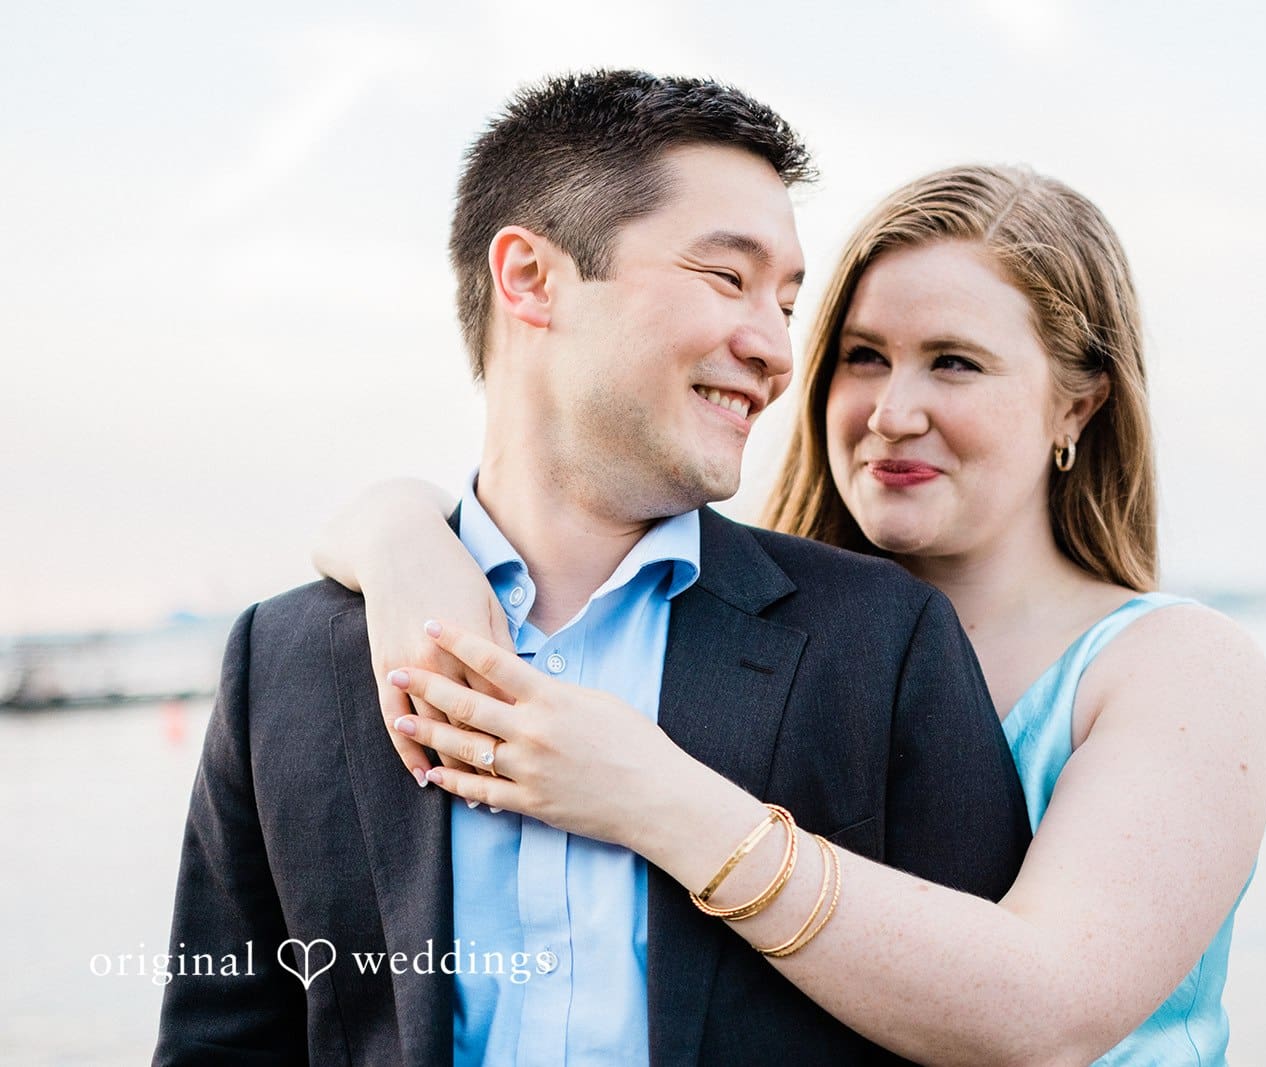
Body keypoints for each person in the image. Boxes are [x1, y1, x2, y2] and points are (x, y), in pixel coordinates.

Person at [155, 72, 1032, 1067]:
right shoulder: (285, 659)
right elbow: (221, 1037)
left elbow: (994, 1027)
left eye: (786, 301)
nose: (776, 347)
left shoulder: (880, 637)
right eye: (726, 276)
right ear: (530, 276)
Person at [324, 164, 1266, 1065]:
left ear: (1078, 405)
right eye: (864, 358)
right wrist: (398, 532)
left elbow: (1048, 1013)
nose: (894, 411)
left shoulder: (1173, 665)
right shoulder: (761, 629)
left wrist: (652, 796)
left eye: (955, 363)